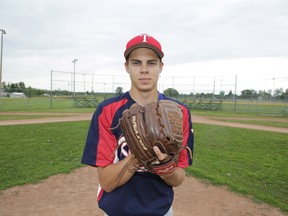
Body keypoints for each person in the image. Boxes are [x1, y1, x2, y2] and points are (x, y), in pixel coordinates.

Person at [81, 33, 194, 216]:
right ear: (126, 67)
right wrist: (140, 154)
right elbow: (107, 183)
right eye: (136, 63)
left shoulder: (179, 112)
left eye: (151, 63)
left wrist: (165, 167)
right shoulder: (108, 111)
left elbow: (178, 178)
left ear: (161, 67)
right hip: (117, 211)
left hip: (161, 211)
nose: (144, 70)